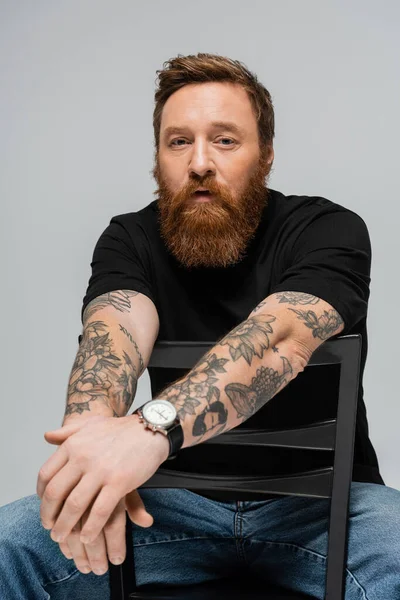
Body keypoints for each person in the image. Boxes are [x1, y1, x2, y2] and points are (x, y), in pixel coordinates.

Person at [0, 52, 399, 600]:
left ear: (266, 157)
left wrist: (148, 432)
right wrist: (91, 464)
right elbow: (109, 340)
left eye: (226, 140)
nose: (200, 162)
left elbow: (278, 337)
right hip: (168, 508)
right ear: (158, 158)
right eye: (179, 141)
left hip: (324, 511)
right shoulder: (130, 239)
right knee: (9, 545)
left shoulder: (328, 229)